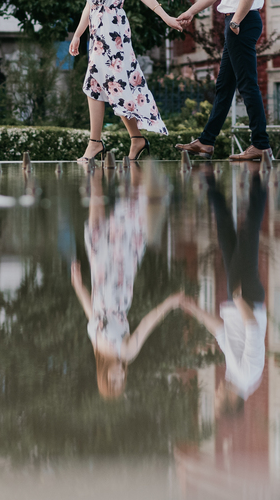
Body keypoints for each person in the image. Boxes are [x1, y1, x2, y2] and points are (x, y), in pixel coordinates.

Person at [69, 0, 183, 164]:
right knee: (95, 85)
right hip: (97, 39)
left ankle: (109, 141)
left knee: (117, 86)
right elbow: (89, 8)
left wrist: (166, 17)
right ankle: (109, 141)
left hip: (115, 34)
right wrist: (77, 35)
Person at [71, 167, 183, 399]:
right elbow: (146, 325)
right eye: (121, 380)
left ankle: (96, 159)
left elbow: (92, 314)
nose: (120, 376)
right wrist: (169, 304)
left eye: (114, 380)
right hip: (119, 280)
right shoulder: (127, 351)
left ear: (103, 376)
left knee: (96, 216)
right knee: (132, 215)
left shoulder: (97, 347)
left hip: (100, 275)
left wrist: (79, 287)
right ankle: (135, 159)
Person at [174, 0, 272, 162]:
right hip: (236, 22)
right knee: (224, 86)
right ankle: (206, 141)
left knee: (247, 83)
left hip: (242, 21)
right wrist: (191, 11)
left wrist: (236, 21)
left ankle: (260, 144)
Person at [179, 166, 268, 409]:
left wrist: (194, 309)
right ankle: (259, 177)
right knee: (248, 235)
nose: (216, 392)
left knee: (226, 236)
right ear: (230, 401)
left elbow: (221, 332)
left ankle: (210, 179)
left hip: (239, 300)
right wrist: (240, 302)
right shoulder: (247, 375)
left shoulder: (236, 377)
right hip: (246, 299)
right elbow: (253, 331)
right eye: (218, 399)